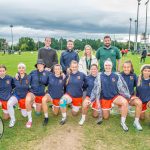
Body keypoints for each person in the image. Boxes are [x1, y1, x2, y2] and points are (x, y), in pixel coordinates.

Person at [90, 59, 130, 131]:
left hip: (114, 96)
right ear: (103, 66)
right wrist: (92, 99)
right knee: (99, 116)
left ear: (112, 66)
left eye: (109, 65)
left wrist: (127, 96)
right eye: (106, 65)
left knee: (124, 102)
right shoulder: (99, 76)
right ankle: (104, 109)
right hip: (104, 98)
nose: (107, 67)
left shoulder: (117, 75)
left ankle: (123, 122)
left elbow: (122, 87)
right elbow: (95, 88)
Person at [59, 60, 86, 125]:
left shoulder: (82, 75)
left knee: (74, 114)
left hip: (78, 96)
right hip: (69, 95)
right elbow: (63, 84)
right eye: (73, 67)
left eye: (75, 67)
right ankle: (64, 117)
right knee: (62, 101)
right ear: (70, 67)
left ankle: (74, 105)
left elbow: (86, 84)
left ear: (78, 67)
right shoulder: (68, 75)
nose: (74, 68)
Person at [25, 59, 49, 128]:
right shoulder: (33, 72)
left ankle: (35, 105)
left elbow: (56, 74)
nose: (40, 66)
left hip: (41, 94)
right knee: (27, 100)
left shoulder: (47, 73)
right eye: (38, 65)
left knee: (38, 113)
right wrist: (18, 73)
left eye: (41, 64)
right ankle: (30, 120)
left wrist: (62, 73)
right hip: (33, 92)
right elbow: (25, 77)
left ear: (44, 65)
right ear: (36, 66)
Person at [121, 60, 142, 131]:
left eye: (128, 67)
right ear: (122, 67)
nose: (126, 69)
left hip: (131, 97)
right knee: (124, 103)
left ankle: (136, 122)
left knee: (139, 103)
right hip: (121, 98)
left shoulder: (133, 75)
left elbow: (138, 86)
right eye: (124, 67)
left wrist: (135, 95)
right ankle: (123, 122)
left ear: (131, 68)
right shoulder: (119, 75)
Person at [7, 63, 29, 128]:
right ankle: (13, 120)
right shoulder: (15, 78)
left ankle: (26, 105)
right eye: (19, 68)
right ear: (18, 69)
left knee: (25, 115)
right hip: (17, 95)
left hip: (24, 97)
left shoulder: (29, 77)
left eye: (23, 68)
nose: (21, 69)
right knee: (9, 104)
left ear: (25, 69)